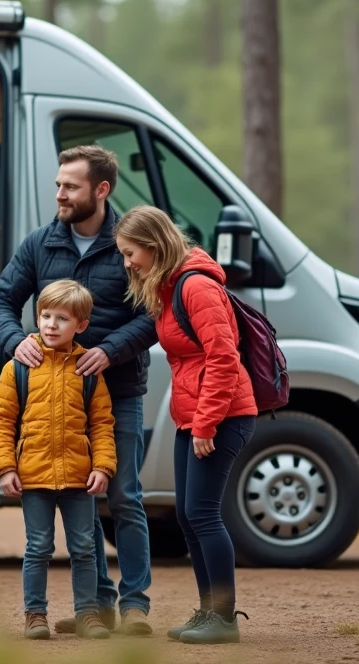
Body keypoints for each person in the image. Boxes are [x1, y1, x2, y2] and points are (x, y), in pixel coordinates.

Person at [0, 145, 158, 636]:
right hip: (50, 393)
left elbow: (154, 313)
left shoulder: (131, 243)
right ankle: (95, 608)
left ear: (101, 190)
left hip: (117, 390)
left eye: (70, 186)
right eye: (59, 184)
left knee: (123, 494)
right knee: (85, 499)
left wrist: (111, 350)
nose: (59, 194)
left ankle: (135, 606)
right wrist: (17, 342)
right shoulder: (40, 244)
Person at [114, 205, 256, 645]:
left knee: (203, 513)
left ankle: (224, 618)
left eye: (130, 253)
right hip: (192, 414)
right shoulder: (168, 285)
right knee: (187, 515)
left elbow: (224, 358)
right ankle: (208, 611)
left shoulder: (196, 286)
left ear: (155, 246)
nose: (127, 263)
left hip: (223, 415)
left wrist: (206, 425)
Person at [0, 279, 118, 641]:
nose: (50, 324)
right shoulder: (19, 367)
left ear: (81, 325)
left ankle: (88, 614)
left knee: (84, 548)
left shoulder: (89, 370)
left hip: (79, 479)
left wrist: (102, 467)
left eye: (62, 318)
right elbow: (0, 421)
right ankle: (35, 614)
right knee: (38, 547)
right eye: (45, 315)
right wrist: (6, 467)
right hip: (34, 478)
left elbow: (103, 423)